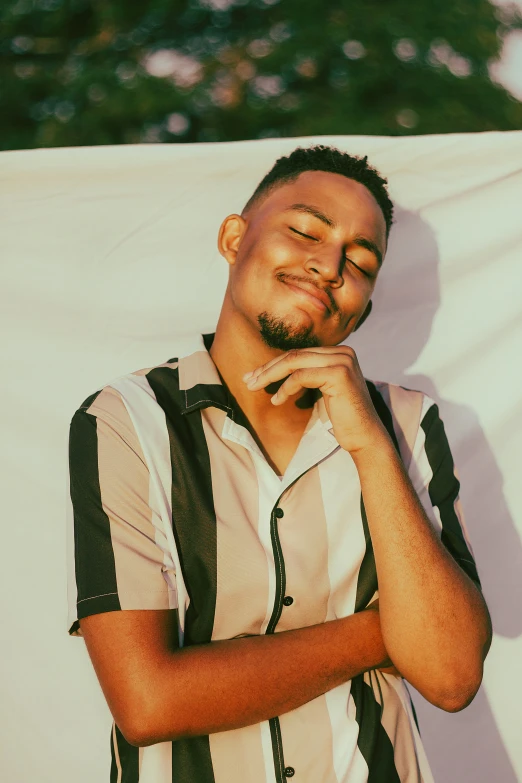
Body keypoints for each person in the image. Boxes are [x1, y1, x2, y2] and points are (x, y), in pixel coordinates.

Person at [67, 144, 492, 783]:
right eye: (304, 231)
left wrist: (371, 448)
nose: (328, 265)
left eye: (361, 261)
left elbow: (452, 674)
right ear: (235, 238)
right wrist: (385, 635)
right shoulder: (127, 420)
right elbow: (148, 701)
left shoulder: (406, 426)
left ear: (365, 308)